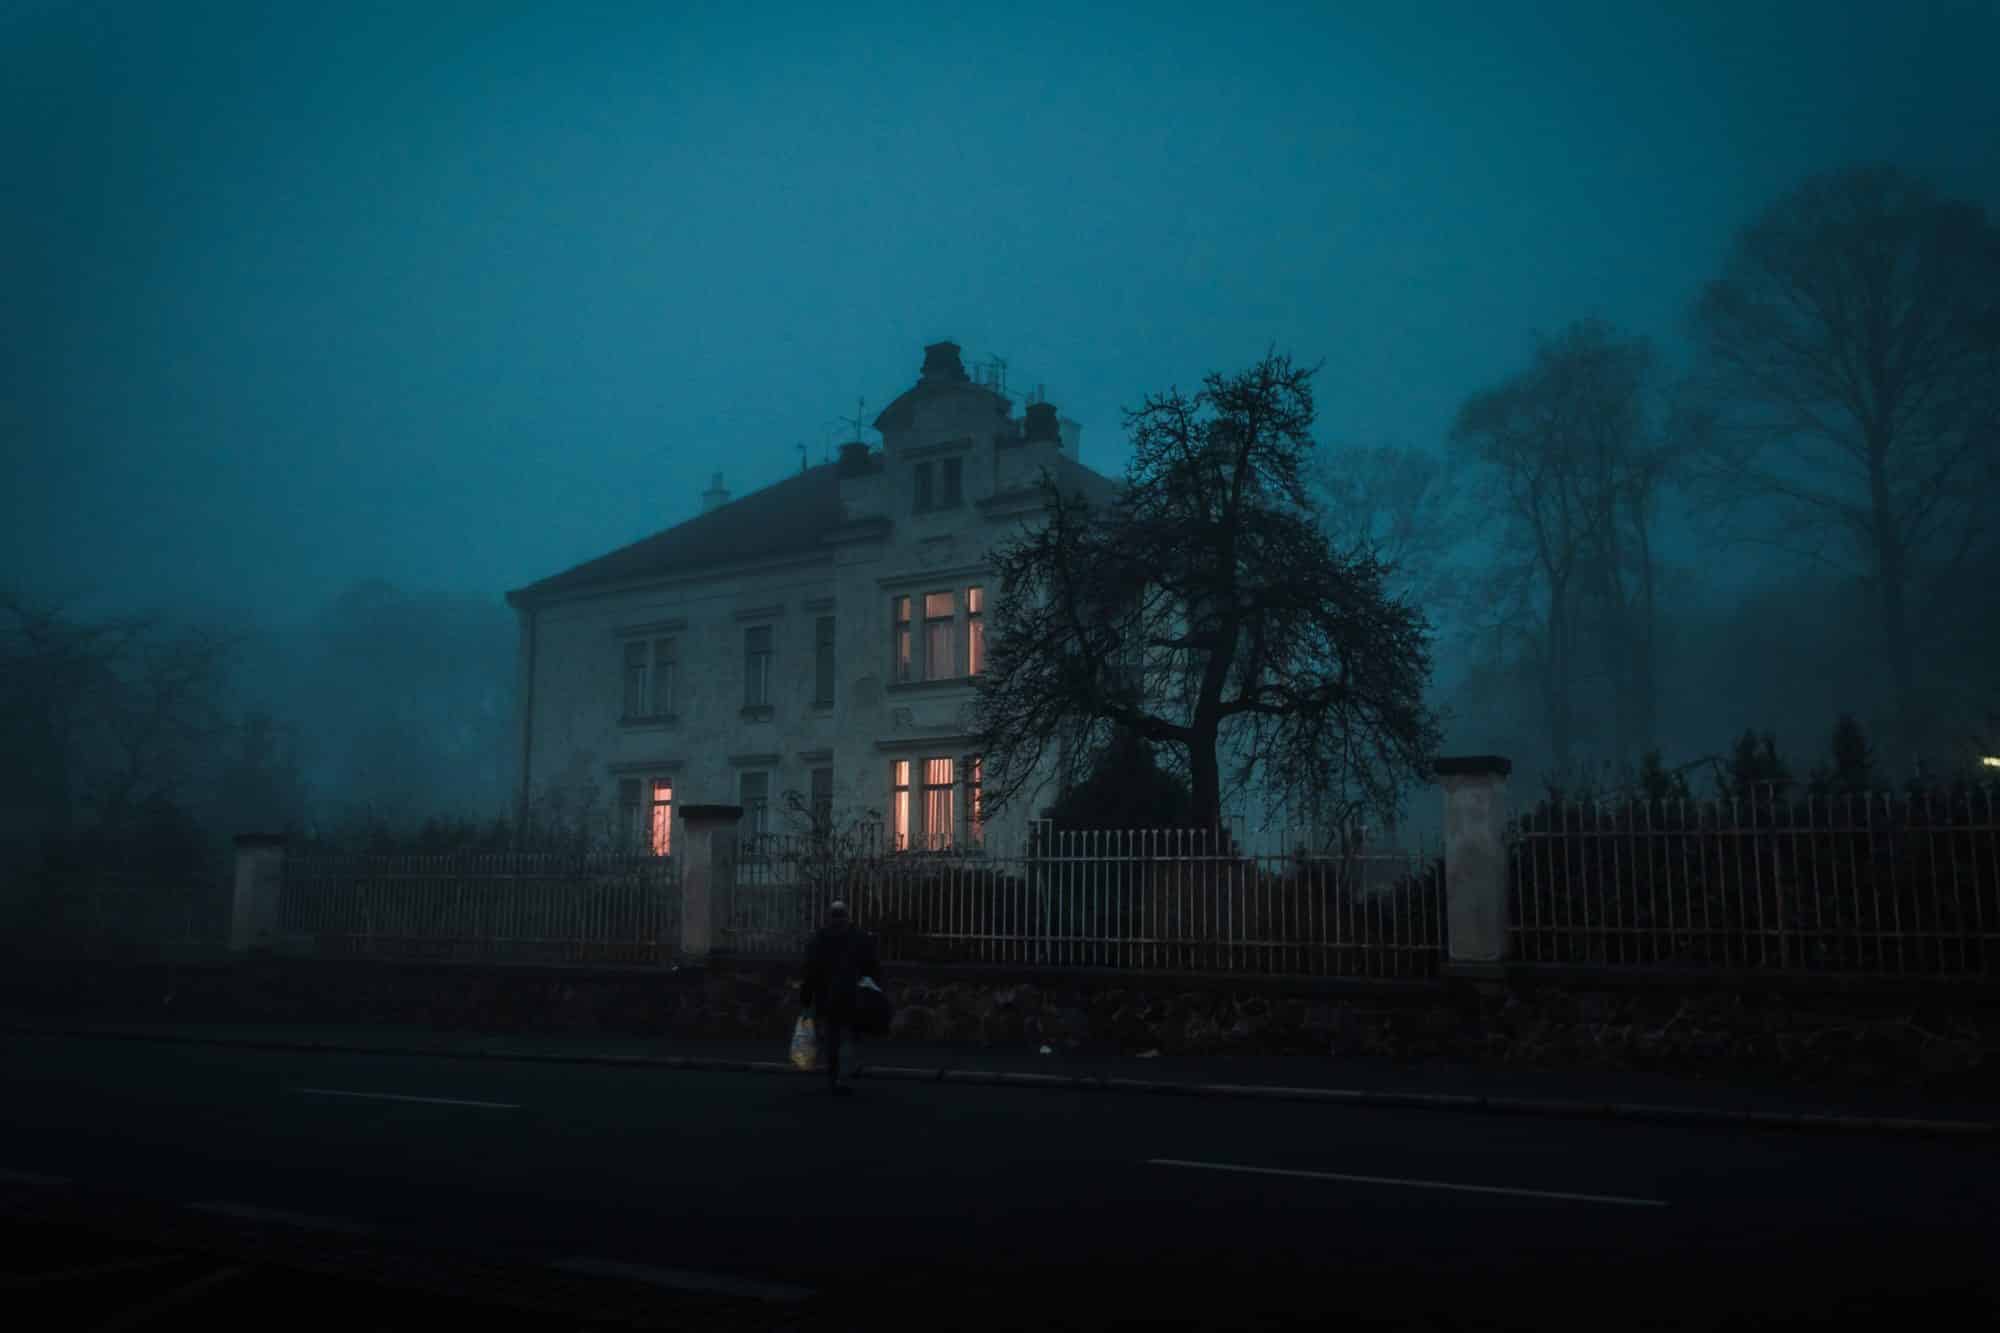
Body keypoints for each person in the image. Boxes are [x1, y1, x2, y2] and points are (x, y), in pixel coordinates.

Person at [800, 900, 879, 1095]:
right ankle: (843, 1075)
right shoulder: (859, 938)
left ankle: (836, 1077)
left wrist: (806, 997)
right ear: (848, 916)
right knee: (848, 1037)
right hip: (851, 994)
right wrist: (873, 990)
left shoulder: (819, 938)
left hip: (829, 996)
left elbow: (810, 971)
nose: (837, 920)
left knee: (834, 1038)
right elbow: (872, 968)